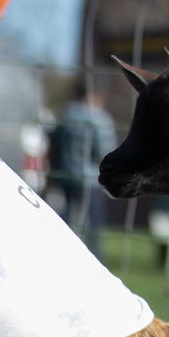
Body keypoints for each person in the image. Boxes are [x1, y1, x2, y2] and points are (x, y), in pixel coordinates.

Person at [48, 75, 116, 261]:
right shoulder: (99, 118)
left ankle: (64, 257)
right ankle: (95, 260)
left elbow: (53, 142)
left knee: (67, 221)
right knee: (94, 224)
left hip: (66, 174)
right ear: (95, 94)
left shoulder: (66, 114)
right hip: (90, 178)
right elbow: (105, 152)